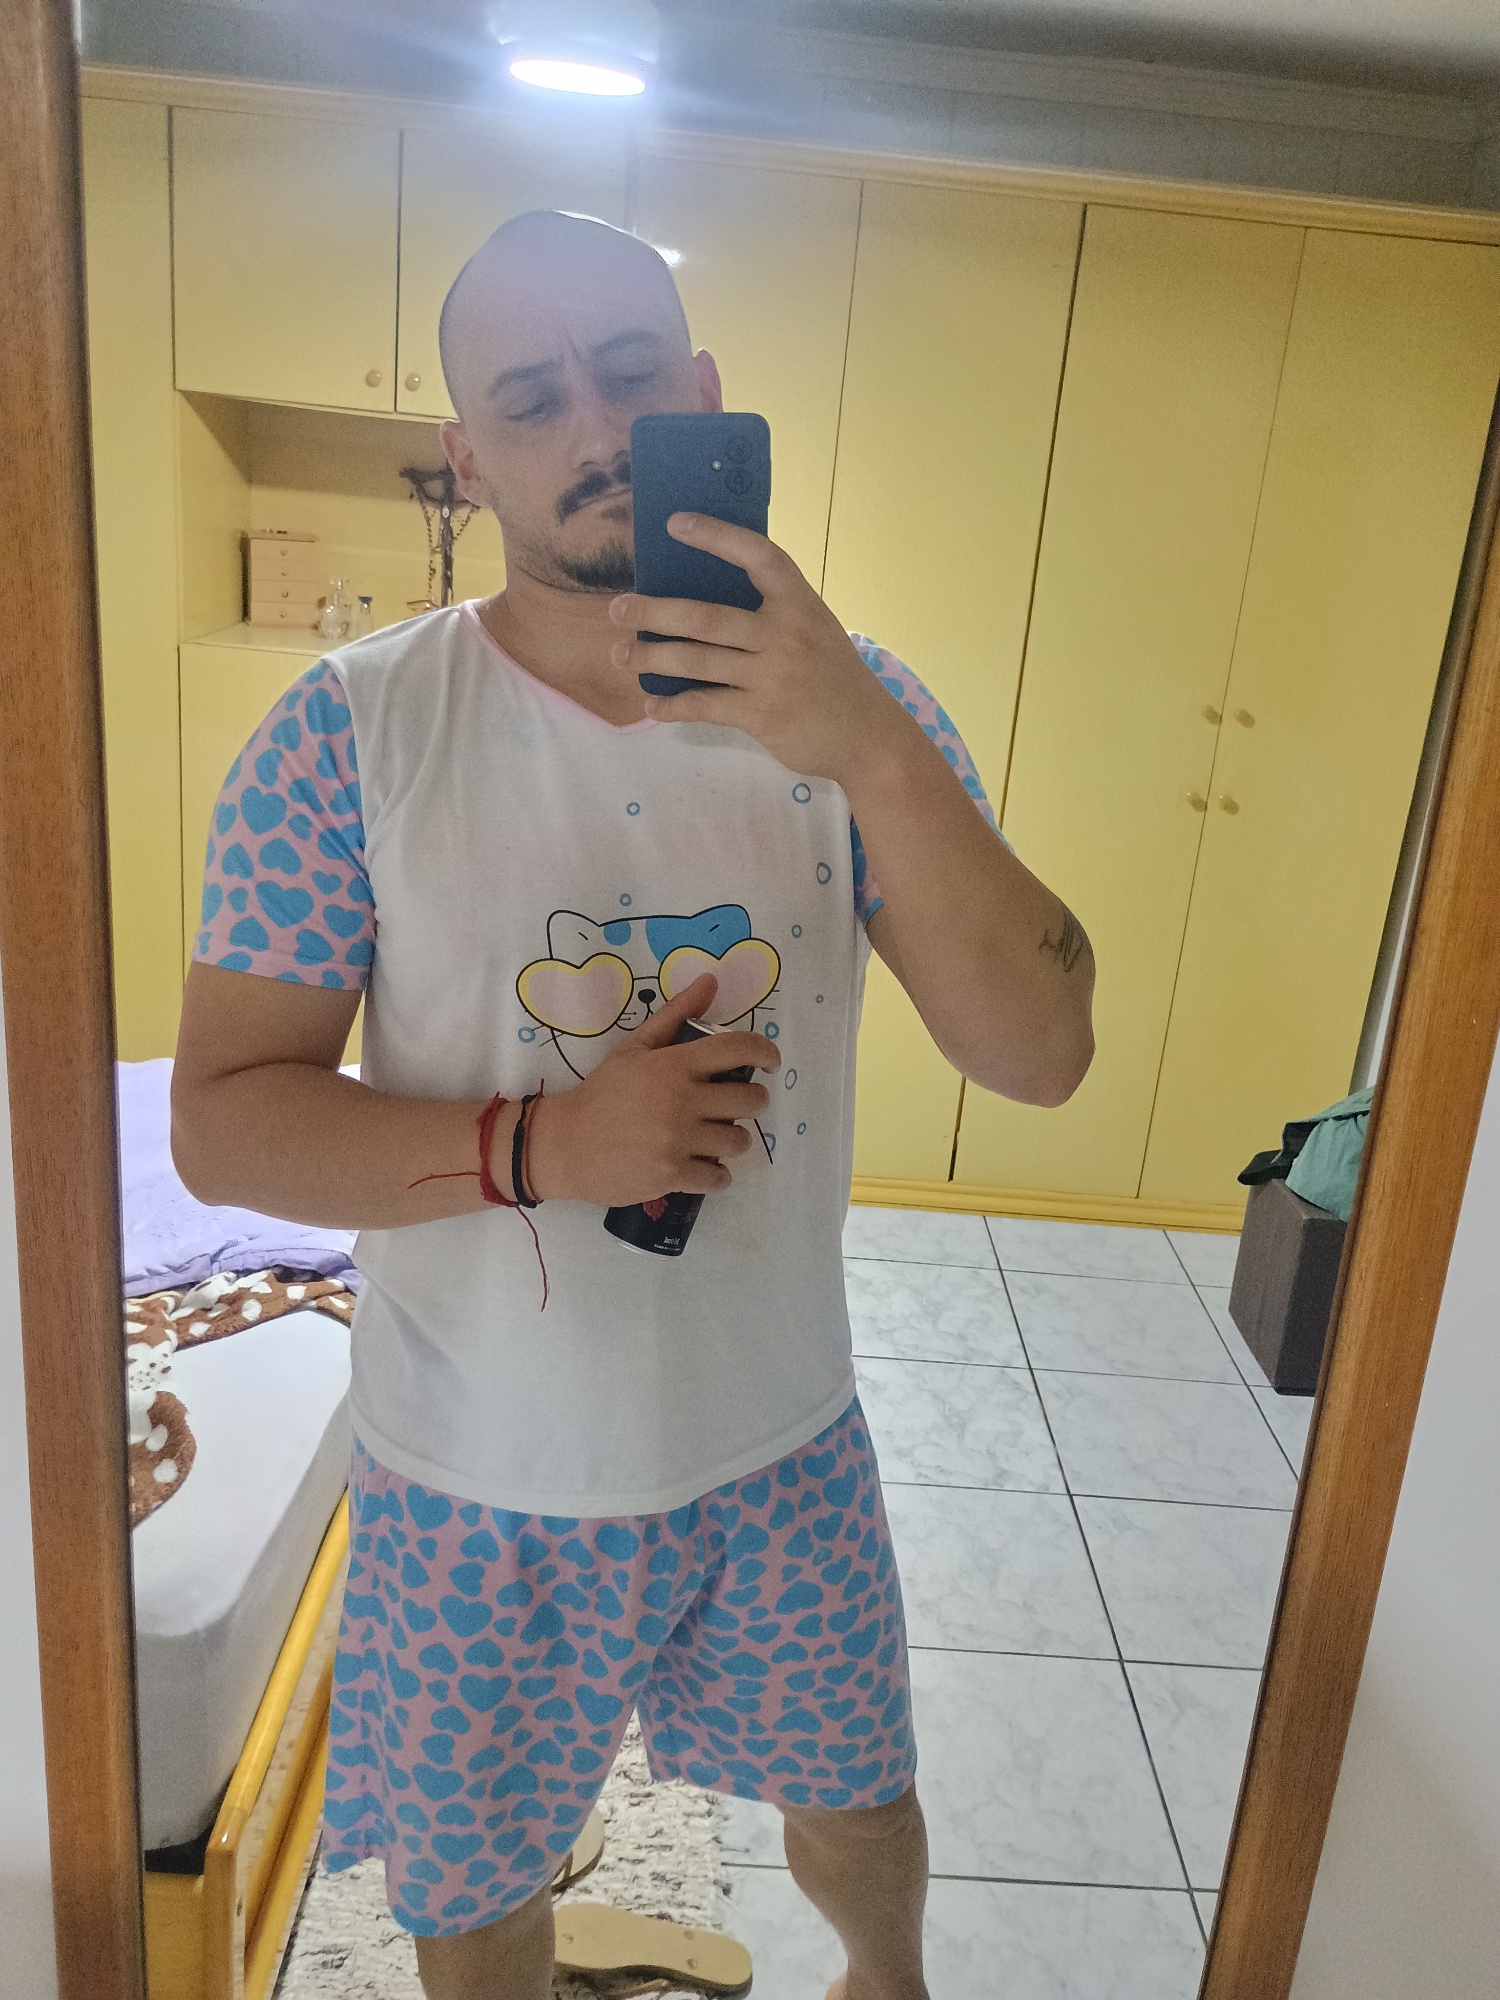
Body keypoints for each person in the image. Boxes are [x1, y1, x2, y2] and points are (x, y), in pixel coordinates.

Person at [171, 208, 1095, 2000]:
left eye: (628, 374)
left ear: (705, 392)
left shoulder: (863, 715)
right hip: (474, 1475)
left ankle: (884, 1985)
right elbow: (222, 1121)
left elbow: (1040, 1052)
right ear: (469, 456)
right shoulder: (349, 734)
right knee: (475, 1885)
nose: (594, 429)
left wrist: (866, 741)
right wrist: (543, 1146)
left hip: (781, 1433)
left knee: (861, 1800)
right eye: (531, 400)